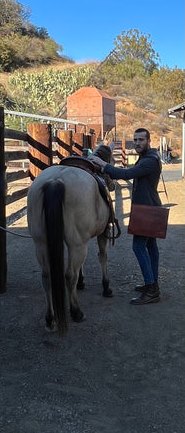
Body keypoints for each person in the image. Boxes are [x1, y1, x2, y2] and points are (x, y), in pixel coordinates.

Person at [88, 128, 162, 305]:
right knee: (151, 246)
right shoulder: (147, 158)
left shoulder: (150, 161)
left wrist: (101, 163)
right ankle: (152, 284)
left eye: (141, 140)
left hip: (146, 208)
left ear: (148, 140)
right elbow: (129, 171)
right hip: (150, 206)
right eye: (135, 140)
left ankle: (151, 290)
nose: (137, 143)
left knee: (138, 246)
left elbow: (127, 174)